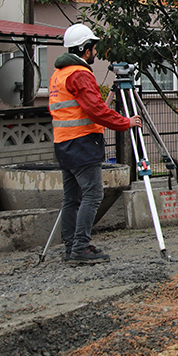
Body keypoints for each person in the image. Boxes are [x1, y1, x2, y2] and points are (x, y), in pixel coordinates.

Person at [49, 23, 142, 264]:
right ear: (86, 49)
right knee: (92, 195)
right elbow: (96, 110)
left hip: (63, 144)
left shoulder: (59, 74)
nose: (95, 52)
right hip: (81, 144)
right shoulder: (79, 74)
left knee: (71, 198)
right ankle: (80, 247)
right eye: (93, 47)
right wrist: (125, 122)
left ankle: (71, 247)